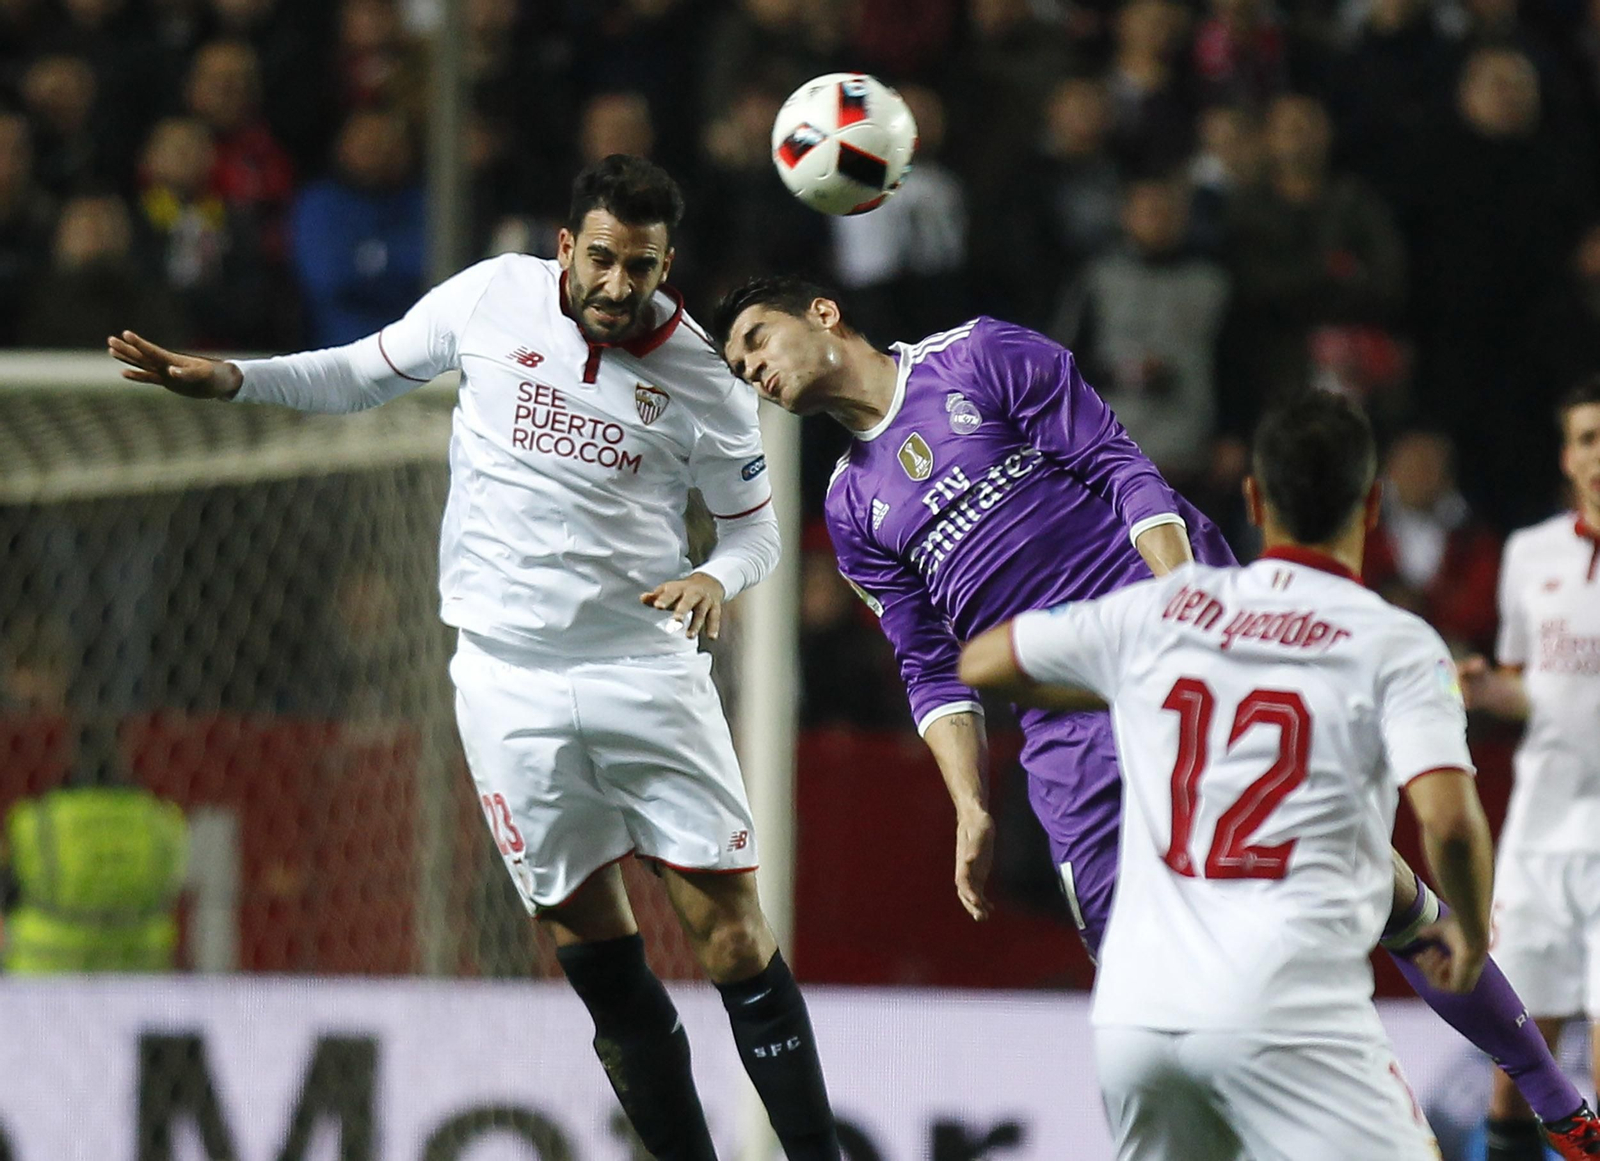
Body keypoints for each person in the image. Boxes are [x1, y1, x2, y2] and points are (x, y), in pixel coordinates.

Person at [710, 275, 1600, 1155]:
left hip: (1163, 636)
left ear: (823, 312)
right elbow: (930, 664)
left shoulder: (977, 355)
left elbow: (1121, 467)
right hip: (1064, 718)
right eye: (740, 367)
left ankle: (1550, 1095)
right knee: (1151, 986)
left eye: (757, 340)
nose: (755, 369)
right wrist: (970, 802)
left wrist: (1189, 615)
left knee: (1373, 887)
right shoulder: (849, 505)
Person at [108, 155, 841, 1161]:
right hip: (504, 681)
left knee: (731, 938)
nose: (617, 285)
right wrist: (235, 379)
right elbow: (359, 372)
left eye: (640, 266)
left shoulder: (706, 377)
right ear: (565, 246)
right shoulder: (493, 296)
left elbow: (754, 529)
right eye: (601, 259)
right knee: (598, 961)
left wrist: (718, 575)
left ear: (666, 265)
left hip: (643, 670)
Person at [956, 390, 1488, 1160]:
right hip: (1285, 1008)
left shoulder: (1163, 613)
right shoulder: (1396, 644)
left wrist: (1123, 686)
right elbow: (1449, 820)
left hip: (1139, 1018)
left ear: (1254, 498)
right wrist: (1470, 927)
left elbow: (982, 660)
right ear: (1371, 506)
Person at [1460, 376, 1600, 1161]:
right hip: (1539, 835)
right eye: (1586, 438)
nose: (1598, 455)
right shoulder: (1529, 554)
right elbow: (1530, 685)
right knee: (1516, 1070)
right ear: (1566, 455)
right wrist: (1489, 689)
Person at [3, 721, 188, 973]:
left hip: (48, 967)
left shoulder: (37, 821)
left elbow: (8, 892)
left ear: (69, 756)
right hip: (138, 967)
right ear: (126, 755)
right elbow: (173, 890)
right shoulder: (160, 820)